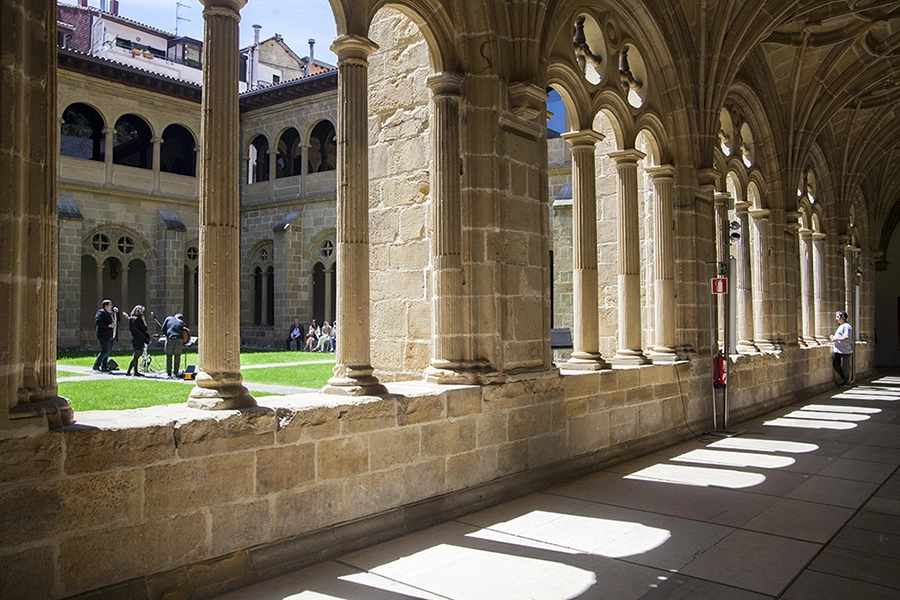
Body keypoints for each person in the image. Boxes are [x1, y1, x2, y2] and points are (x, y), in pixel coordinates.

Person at [92, 299, 119, 372]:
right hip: (103, 335)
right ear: (105, 306)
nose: (111, 306)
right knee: (105, 351)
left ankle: (104, 367)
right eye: (110, 305)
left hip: (110, 335)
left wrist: (117, 313)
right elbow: (98, 321)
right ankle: (96, 365)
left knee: (108, 351)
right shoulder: (101, 312)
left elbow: (117, 320)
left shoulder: (111, 313)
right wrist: (108, 325)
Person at [830, 310, 854, 387]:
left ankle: (847, 381)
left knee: (845, 367)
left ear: (843, 317)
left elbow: (847, 338)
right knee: (836, 365)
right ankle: (845, 379)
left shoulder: (846, 326)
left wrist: (835, 339)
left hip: (845, 351)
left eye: (837, 317)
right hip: (838, 350)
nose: (836, 319)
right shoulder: (841, 326)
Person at [126, 305, 150, 377]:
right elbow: (145, 328)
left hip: (134, 338)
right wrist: (143, 320)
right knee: (136, 356)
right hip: (140, 338)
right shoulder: (139, 320)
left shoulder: (131, 319)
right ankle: (132, 371)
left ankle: (132, 371)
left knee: (136, 355)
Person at [162, 312, 186, 378]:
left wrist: (167, 335)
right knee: (177, 356)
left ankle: (169, 372)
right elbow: (185, 332)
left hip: (170, 338)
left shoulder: (168, 319)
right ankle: (176, 372)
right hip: (179, 339)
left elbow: (163, 329)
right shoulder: (182, 322)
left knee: (169, 355)